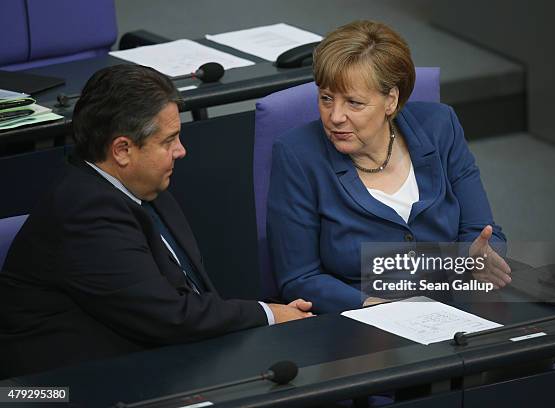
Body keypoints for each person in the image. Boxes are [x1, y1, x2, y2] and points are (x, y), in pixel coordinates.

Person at [0, 64, 312, 379]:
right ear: (122, 149)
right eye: (169, 141)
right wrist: (268, 313)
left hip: (162, 359)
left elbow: (189, 299)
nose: (181, 151)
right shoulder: (84, 213)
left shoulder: (146, 187)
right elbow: (168, 316)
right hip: (66, 387)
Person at [267, 20, 511, 314]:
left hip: (455, 304)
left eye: (354, 103)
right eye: (326, 98)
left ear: (391, 100)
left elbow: (483, 232)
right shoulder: (297, 154)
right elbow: (299, 278)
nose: (335, 116)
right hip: (361, 327)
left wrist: (476, 260)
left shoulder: (440, 126)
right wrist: (376, 307)